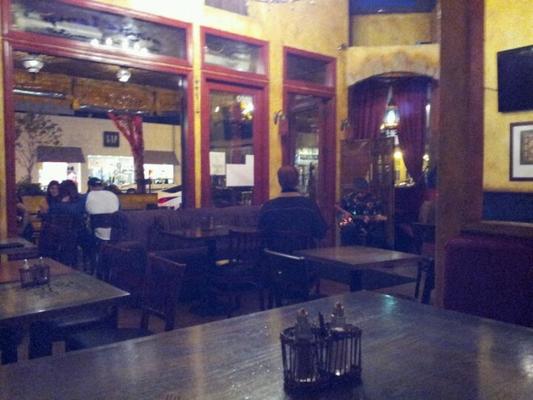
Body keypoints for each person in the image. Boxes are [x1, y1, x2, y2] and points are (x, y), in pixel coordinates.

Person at [259, 165, 327, 251]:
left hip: (275, 256)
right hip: (304, 255)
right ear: (297, 181)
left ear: (279, 181)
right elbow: (321, 232)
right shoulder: (309, 206)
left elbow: (261, 233)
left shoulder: (268, 207)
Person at [337, 177, 387, 247]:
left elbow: (379, 214)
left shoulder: (374, 199)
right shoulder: (348, 198)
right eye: (358, 191)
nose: (361, 193)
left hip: (369, 226)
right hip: (352, 225)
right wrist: (344, 214)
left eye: (363, 191)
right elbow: (338, 209)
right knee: (348, 230)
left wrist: (373, 219)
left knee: (378, 234)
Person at [85, 177, 120, 243]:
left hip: (96, 234)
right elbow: (119, 211)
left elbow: (81, 212)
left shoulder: (87, 196)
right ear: (102, 186)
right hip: (115, 232)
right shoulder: (113, 195)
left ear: (90, 187)